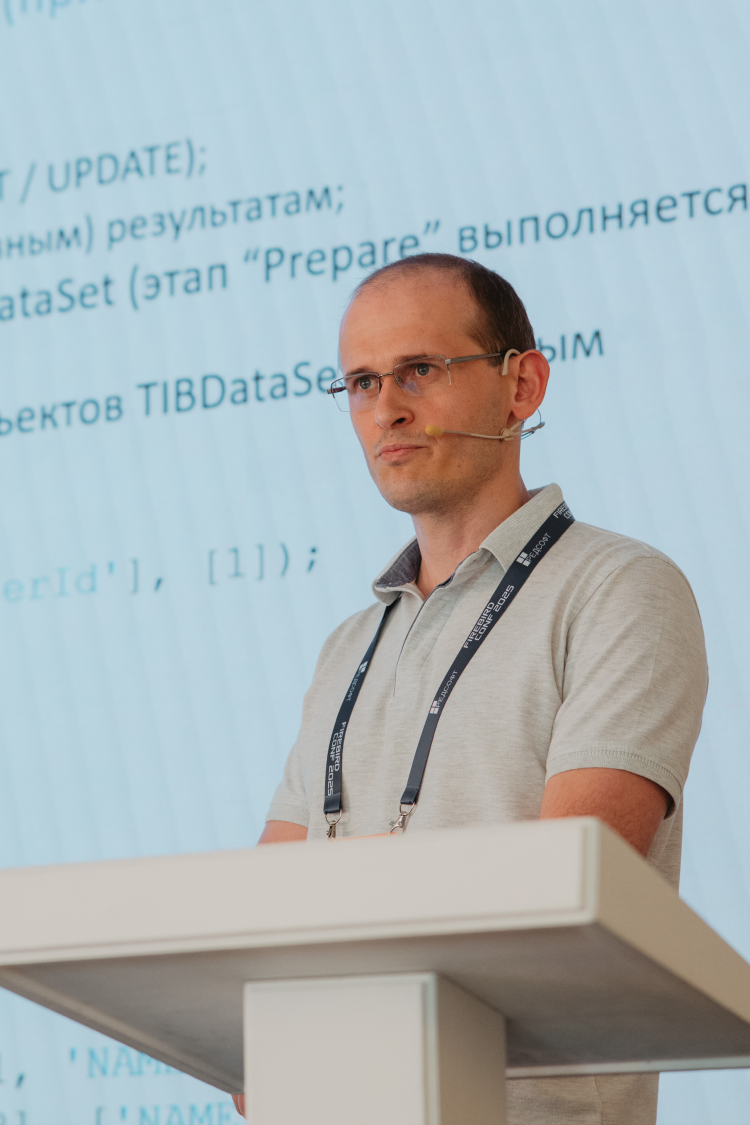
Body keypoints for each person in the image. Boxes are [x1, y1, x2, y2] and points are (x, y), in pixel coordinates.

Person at [233, 253, 707, 1125]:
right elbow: (261, 914)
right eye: (362, 382)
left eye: (420, 369)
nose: (387, 407)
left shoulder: (619, 588)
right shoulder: (349, 644)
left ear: (521, 385)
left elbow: (567, 887)